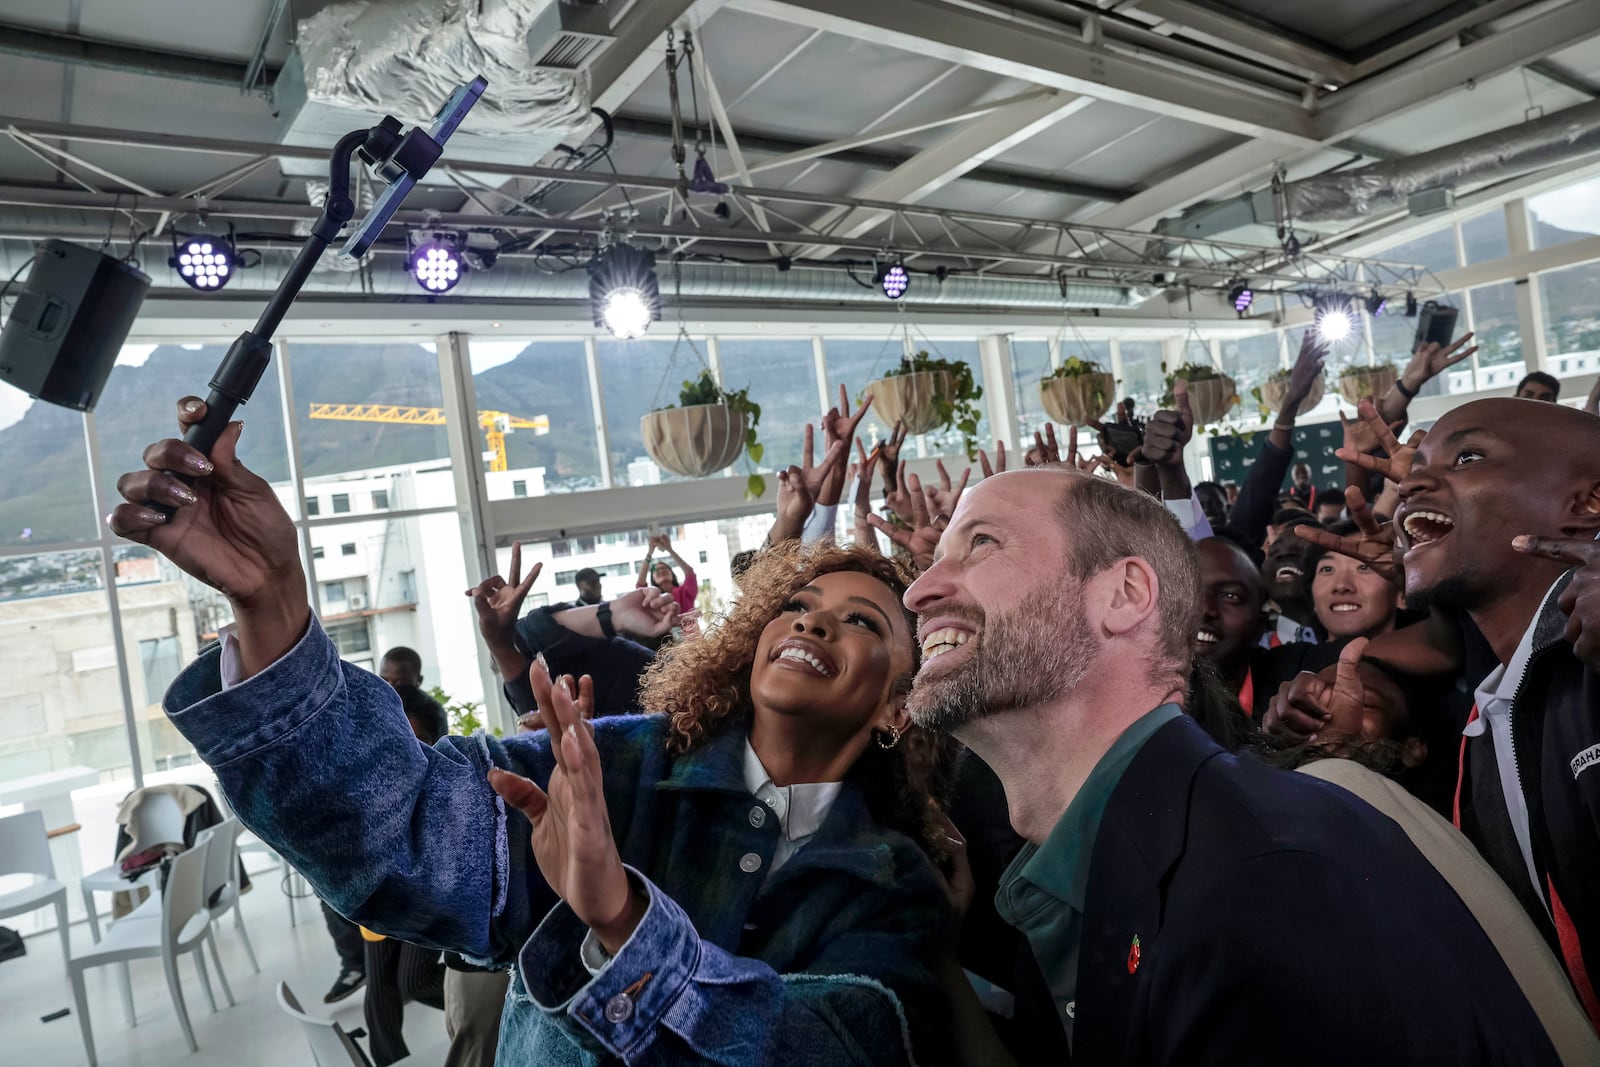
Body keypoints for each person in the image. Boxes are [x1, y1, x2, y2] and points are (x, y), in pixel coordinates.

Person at [112, 399, 977, 1065]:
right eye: (796, 603)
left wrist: (623, 921)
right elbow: (395, 828)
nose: (813, 624)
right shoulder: (613, 765)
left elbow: (832, 1043)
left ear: (899, 705)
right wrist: (273, 607)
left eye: (863, 620)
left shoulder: (894, 883)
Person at [898, 465, 1558, 1063]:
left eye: (980, 543)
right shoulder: (1117, 879)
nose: (919, 590)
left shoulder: (1266, 890)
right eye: (934, 559)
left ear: (1124, 593)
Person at [1276, 397, 1600, 1030]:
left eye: (1468, 458)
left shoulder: (1587, 669)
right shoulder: (1493, 714)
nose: (1411, 484)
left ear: (1588, 505)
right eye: (1418, 466)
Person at [1257, 647, 1600, 1066]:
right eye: (1316, 708)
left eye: (1364, 703)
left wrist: (1336, 759)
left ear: (1413, 748)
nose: (1333, 713)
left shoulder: (1447, 840)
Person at [363, 685, 450, 1066]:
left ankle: (494, 1002)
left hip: (430, 887)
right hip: (382, 884)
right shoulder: (374, 786)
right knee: (380, 984)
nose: (406, 752)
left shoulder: (444, 785)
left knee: (414, 981)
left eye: (419, 741)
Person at [1193, 537, 1339, 717]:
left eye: (1230, 595)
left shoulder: (1293, 669)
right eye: (1189, 589)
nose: (1205, 609)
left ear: (1259, 628)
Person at [1306, 524, 1399, 642]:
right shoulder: (1284, 659)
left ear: (1401, 594)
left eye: (1364, 567)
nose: (1341, 585)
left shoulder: (1426, 658)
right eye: (1327, 569)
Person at [636, 532, 698, 615]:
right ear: (652, 578)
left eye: (664, 568)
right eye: (656, 570)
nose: (661, 571)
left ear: (672, 574)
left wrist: (669, 549)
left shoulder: (684, 592)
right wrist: (649, 553)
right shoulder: (652, 597)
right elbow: (640, 584)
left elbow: (690, 573)